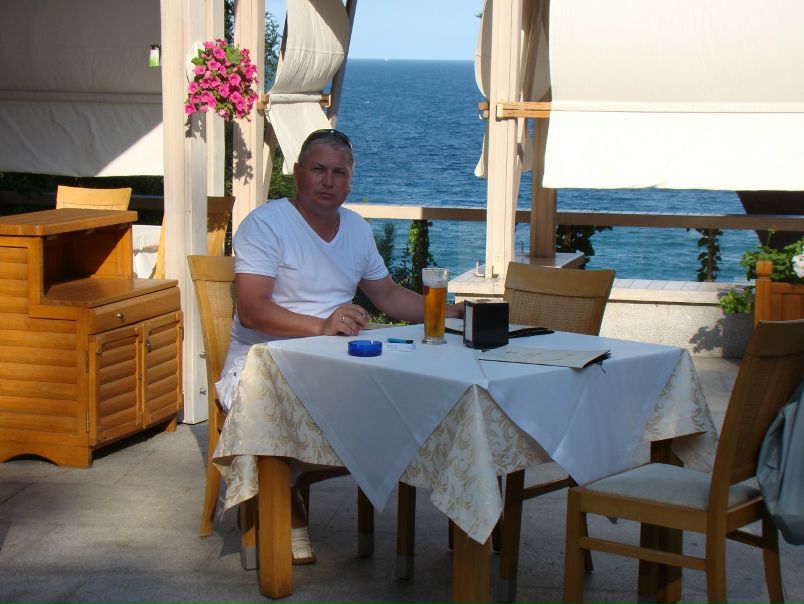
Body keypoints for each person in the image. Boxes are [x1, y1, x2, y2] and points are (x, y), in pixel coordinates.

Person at [216, 128, 464, 564]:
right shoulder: (266, 224)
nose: (328, 181)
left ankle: (454, 507)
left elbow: (387, 295)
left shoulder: (356, 229)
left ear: (350, 182)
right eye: (319, 170)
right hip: (262, 364)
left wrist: (449, 312)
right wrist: (321, 325)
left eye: (339, 173)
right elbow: (252, 310)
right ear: (297, 174)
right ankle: (285, 503)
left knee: (415, 393)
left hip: (335, 362)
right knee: (285, 402)